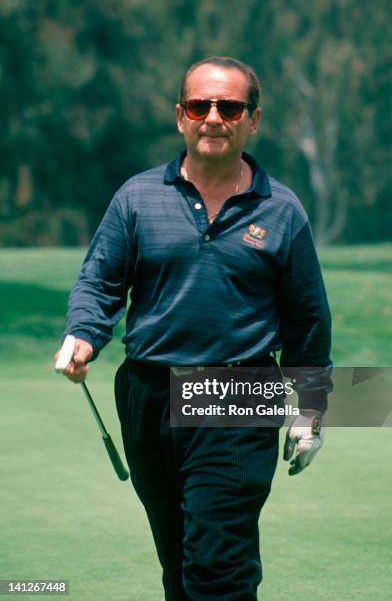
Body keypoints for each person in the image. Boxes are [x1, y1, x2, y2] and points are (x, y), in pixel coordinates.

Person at [56, 56, 332, 600]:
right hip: (148, 391)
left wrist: (311, 407)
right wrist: (84, 332)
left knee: (217, 564)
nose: (213, 117)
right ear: (180, 116)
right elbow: (100, 280)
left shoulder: (281, 210)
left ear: (253, 120)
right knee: (178, 559)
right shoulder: (137, 197)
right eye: (199, 105)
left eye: (229, 107)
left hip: (237, 390)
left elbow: (307, 318)